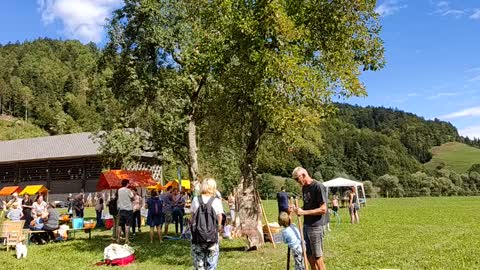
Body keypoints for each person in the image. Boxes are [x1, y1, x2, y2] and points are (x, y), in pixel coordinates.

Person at [292, 167, 328, 270]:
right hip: (306, 225)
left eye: (297, 179)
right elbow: (308, 207)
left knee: (317, 258)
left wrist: (303, 212)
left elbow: (323, 209)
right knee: (309, 256)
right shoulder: (304, 188)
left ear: (303, 175)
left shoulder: (318, 186)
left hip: (316, 226)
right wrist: (298, 209)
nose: (297, 182)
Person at [190, 178, 224, 270]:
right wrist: (219, 228)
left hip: (198, 237)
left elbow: (192, 217)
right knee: (211, 264)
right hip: (212, 237)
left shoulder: (196, 200)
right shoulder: (216, 201)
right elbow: (220, 217)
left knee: (199, 264)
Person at [117, 179, 134, 245]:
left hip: (121, 209)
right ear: (127, 183)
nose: (129, 184)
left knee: (120, 225)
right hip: (128, 209)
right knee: (127, 225)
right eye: (128, 183)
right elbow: (132, 198)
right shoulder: (128, 190)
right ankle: (126, 240)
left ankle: (118, 239)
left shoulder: (119, 190)